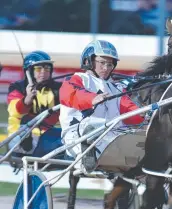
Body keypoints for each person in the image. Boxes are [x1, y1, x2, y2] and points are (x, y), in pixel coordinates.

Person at [59, 39, 144, 172]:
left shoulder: (114, 88)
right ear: (89, 61)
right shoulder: (78, 79)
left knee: (140, 133)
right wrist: (92, 99)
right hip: (77, 136)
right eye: (102, 63)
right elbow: (68, 94)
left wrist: (145, 115)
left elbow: (129, 109)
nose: (106, 68)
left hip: (110, 136)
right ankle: (87, 155)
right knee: (92, 126)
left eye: (110, 64)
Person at [7, 50, 62, 157]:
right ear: (29, 71)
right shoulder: (17, 87)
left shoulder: (58, 88)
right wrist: (27, 99)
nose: (43, 72)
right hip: (20, 141)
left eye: (47, 68)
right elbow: (15, 111)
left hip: (47, 136)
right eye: (38, 69)